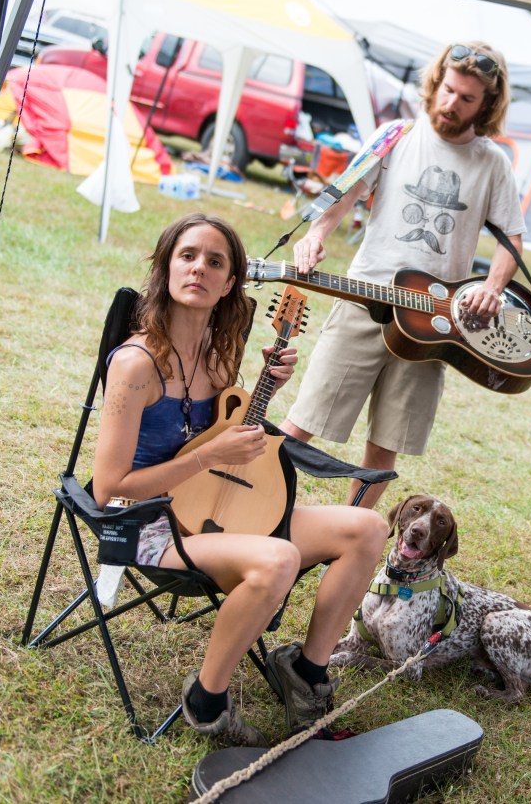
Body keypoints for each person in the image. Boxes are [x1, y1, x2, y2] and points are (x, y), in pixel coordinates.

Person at [92, 212, 387, 744]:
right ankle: (207, 701)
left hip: (219, 511)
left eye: (215, 261)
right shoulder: (135, 365)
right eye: (187, 256)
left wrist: (265, 391)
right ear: (165, 267)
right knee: (280, 557)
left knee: (367, 527)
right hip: (148, 522)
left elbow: (221, 439)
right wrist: (208, 459)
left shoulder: (219, 354)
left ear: (231, 283)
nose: (199, 269)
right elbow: (108, 487)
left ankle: (307, 673)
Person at [280, 41, 528, 508]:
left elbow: (512, 239)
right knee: (305, 418)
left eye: (467, 99)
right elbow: (344, 194)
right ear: (435, 83)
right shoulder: (395, 135)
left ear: (488, 105)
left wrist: (494, 286)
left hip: (434, 322)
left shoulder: (492, 163)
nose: (451, 105)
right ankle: (254, 505)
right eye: (448, 91)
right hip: (365, 301)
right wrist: (315, 235)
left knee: (385, 444)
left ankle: (350, 532)